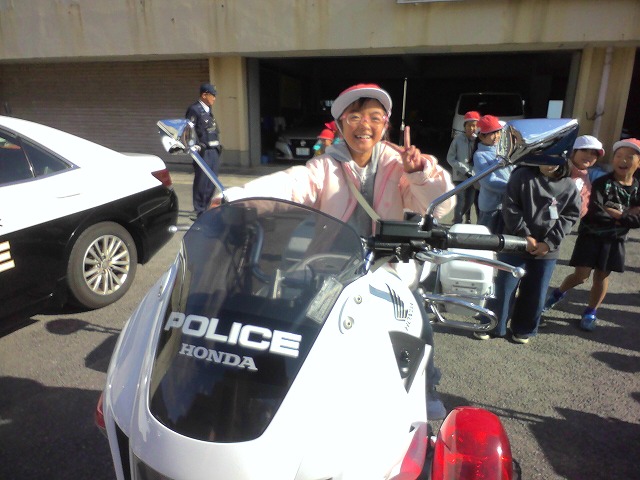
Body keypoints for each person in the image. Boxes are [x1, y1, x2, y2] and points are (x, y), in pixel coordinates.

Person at [225, 83, 455, 418]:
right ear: (341, 124)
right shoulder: (324, 166)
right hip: (333, 268)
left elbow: (441, 206)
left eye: (375, 117)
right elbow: (292, 184)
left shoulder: (400, 164)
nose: (365, 125)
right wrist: (236, 198)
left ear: (385, 125)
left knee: (417, 324)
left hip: (388, 267)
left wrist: (419, 173)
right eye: (355, 117)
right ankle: (290, 388)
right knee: (303, 323)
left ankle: (426, 387)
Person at [475, 161, 581, 343]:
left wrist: (549, 242)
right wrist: (524, 235)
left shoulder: (569, 185)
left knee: (536, 291)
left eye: (555, 157)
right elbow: (510, 206)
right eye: (545, 157)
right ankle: (492, 324)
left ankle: (524, 329)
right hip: (515, 243)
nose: (549, 163)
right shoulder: (521, 175)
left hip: (546, 249)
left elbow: (570, 216)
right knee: (504, 286)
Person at [543, 138, 640, 331]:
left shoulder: (638, 189)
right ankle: (557, 294)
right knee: (581, 276)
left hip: (615, 240)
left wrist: (616, 214)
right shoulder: (602, 182)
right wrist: (626, 214)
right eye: (619, 155)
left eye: (630, 157)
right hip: (590, 235)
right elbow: (595, 211)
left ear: (638, 162)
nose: (623, 160)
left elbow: (637, 221)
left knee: (602, 277)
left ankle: (591, 311)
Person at [186, 82, 222, 220]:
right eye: (213, 95)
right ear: (204, 95)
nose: (214, 98)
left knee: (212, 181)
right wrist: (195, 146)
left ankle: (206, 207)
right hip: (203, 152)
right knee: (202, 181)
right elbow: (189, 130)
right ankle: (199, 210)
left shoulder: (208, 110)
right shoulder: (194, 110)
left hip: (213, 150)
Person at [473, 114, 514, 233]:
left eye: (498, 132)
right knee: (487, 239)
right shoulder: (480, 155)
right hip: (491, 207)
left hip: (507, 204)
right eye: (492, 133)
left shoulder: (505, 150)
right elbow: (489, 182)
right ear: (481, 136)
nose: (496, 136)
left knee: (504, 239)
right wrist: (513, 188)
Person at [446, 110, 480, 223]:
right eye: (469, 125)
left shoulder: (478, 141)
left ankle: (460, 217)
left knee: (470, 201)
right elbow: (450, 158)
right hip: (459, 177)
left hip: (473, 177)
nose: (471, 128)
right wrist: (464, 170)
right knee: (460, 201)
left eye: (474, 125)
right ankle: (457, 222)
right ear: (464, 126)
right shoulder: (457, 140)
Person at [567, 135, 605, 218]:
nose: (589, 155)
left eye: (594, 153)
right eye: (584, 150)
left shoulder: (586, 177)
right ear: (573, 151)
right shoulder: (559, 171)